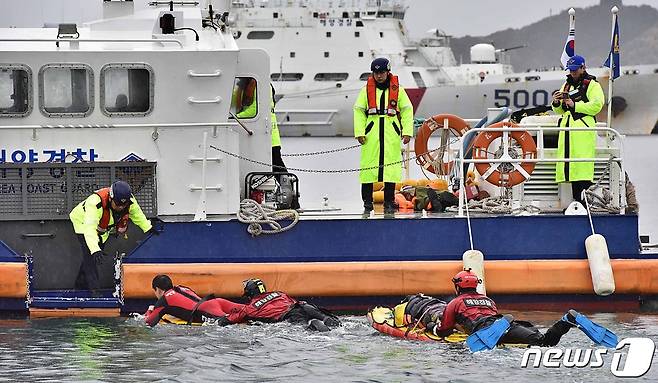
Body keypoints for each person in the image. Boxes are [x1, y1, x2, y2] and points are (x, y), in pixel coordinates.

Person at [430, 269, 616, 348]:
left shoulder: (455, 303)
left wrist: (434, 328)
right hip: (506, 323)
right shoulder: (488, 300)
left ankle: (502, 325)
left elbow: (444, 330)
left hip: (486, 329)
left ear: (458, 286)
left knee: (481, 343)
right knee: (544, 342)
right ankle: (567, 320)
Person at [69, 180, 158, 293]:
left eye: (123, 205)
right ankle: (95, 292)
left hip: (102, 229)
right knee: (90, 257)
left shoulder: (129, 201)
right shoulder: (95, 203)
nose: (120, 208)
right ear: (110, 198)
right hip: (82, 223)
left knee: (90, 259)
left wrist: (148, 228)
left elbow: (137, 214)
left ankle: (78, 289)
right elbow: (89, 228)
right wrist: (95, 249)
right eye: (117, 204)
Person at [354, 57, 414, 214]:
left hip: (390, 131)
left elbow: (407, 110)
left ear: (388, 72)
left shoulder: (398, 90)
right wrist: (359, 132)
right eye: (376, 73)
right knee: (368, 168)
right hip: (371, 133)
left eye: (381, 72)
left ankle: (389, 202)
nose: (379, 76)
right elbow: (359, 110)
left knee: (391, 167)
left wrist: (407, 131)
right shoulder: (366, 90)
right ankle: (367, 203)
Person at [551, 55, 605, 206]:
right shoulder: (566, 85)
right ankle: (577, 204)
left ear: (583, 68)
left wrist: (574, 105)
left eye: (576, 70)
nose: (573, 73)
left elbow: (597, 105)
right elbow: (560, 111)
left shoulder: (593, 85)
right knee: (572, 170)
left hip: (582, 132)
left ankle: (585, 204)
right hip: (568, 132)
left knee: (582, 168)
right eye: (571, 70)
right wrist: (556, 103)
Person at [217, 278, 341, 332]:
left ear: (249, 293)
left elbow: (227, 320)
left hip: (289, 317)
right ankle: (325, 319)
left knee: (303, 329)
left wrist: (218, 320)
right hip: (304, 307)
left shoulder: (249, 309)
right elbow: (292, 302)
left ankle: (313, 326)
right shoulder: (280, 293)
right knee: (307, 309)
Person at [144, 274, 245, 327]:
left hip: (205, 311)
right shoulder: (181, 288)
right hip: (215, 302)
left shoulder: (163, 300)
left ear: (158, 289)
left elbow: (149, 322)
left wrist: (150, 310)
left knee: (233, 325)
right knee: (249, 311)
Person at [270, 84, 288, 177]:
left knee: (276, 163)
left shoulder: (263, 86)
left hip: (269, 138)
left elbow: (253, 110)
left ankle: (287, 186)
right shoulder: (269, 86)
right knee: (277, 164)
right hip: (272, 138)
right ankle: (288, 185)